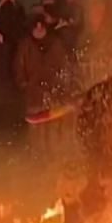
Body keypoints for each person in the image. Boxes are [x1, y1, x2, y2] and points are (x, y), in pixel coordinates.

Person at [14, 15, 72, 157]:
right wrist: (24, 85)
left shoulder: (56, 44)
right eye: (36, 26)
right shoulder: (25, 46)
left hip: (54, 94)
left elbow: (64, 67)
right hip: (34, 96)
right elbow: (18, 69)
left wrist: (62, 86)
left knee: (53, 130)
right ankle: (37, 160)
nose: (39, 29)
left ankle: (54, 159)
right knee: (36, 132)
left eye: (42, 26)